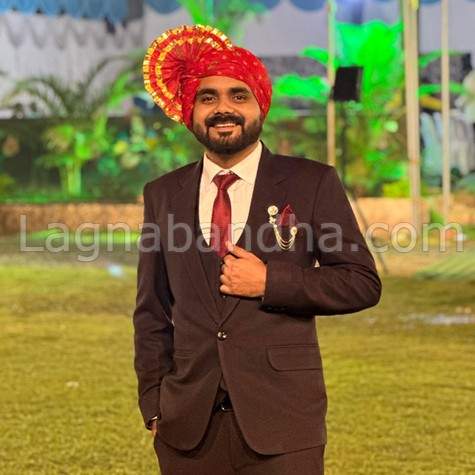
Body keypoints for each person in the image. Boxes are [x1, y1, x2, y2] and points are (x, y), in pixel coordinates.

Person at [133, 24, 382, 475]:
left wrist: (271, 281)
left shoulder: (311, 182)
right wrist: (154, 403)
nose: (222, 108)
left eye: (238, 95)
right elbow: (151, 311)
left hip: (284, 424)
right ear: (190, 111)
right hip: (186, 429)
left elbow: (361, 282)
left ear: (259, 105)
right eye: (207, 97)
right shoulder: (163, 194)